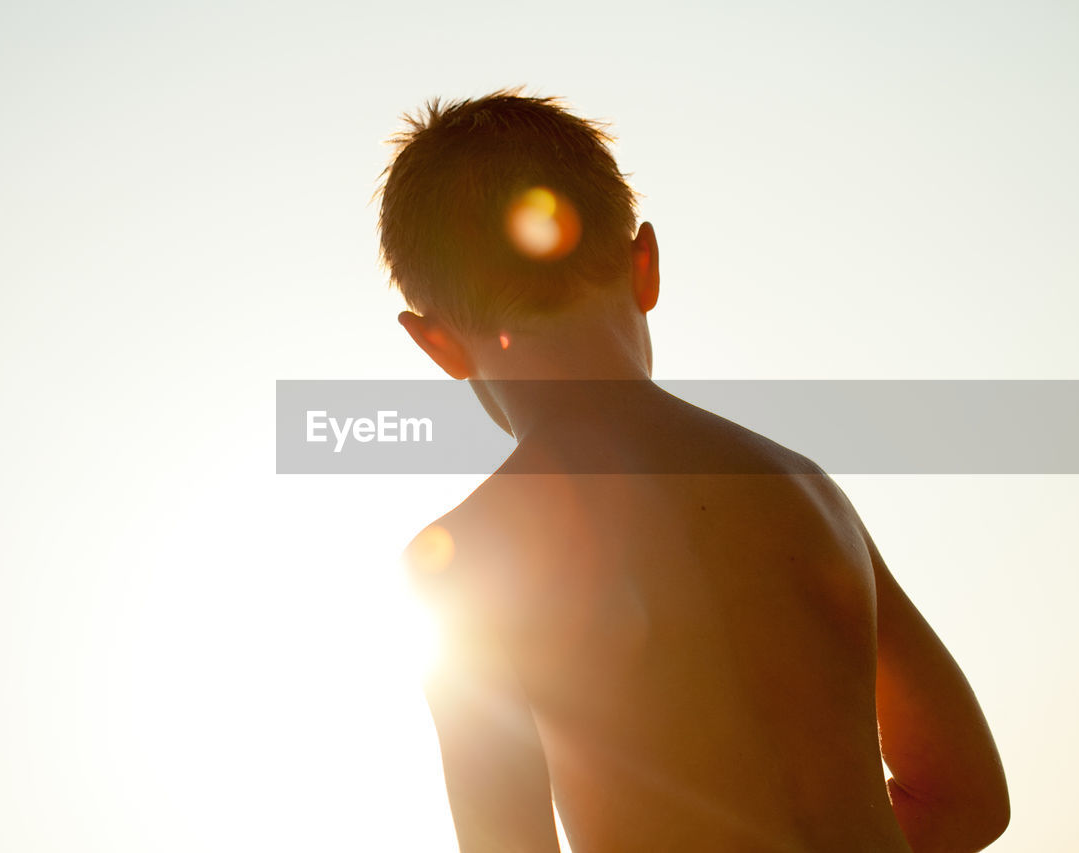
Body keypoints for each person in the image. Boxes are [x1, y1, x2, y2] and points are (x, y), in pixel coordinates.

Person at [378, 89, 1009, 852]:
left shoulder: (468, 557)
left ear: (435, 344)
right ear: (644, 264)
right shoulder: (803, 490)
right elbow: (968, 796)